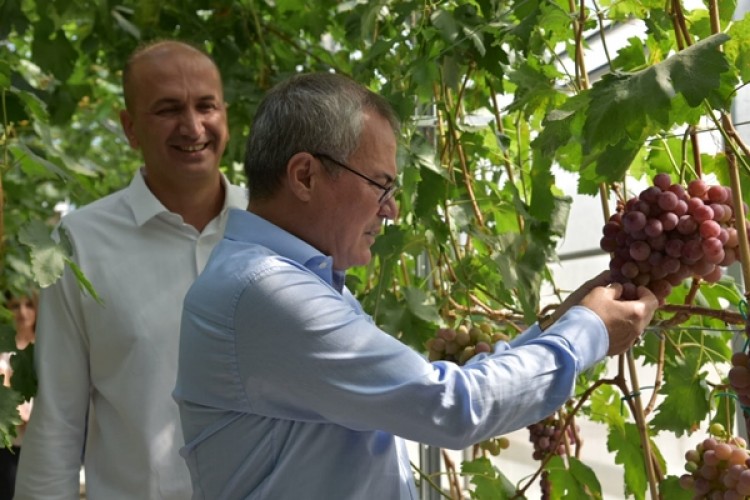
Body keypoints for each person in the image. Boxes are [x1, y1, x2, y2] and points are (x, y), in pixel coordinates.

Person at [174, 72, 659, 499]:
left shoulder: (285, 280)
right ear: (305, 175)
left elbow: (416, 397)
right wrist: (588, 332)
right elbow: (451, 407)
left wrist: (565, 321)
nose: (392, 209)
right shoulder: (266, 291)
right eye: (380, 184)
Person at [15, 40, 247, 499]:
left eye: (206, 106)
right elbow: (59, 419)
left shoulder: (272, 227)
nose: (193, 126)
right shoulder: (81, 241)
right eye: (167, 109)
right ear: (130, 128)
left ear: (226, 116)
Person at [0, 292, 36, 500]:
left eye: (28, 305)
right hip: (11, 445)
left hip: (42, 441)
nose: (22, 312)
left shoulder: (47, 348)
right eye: (15, 306)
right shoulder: (4, 348)